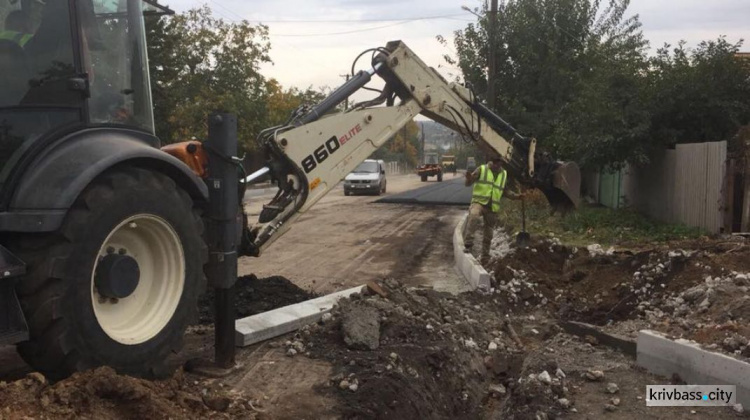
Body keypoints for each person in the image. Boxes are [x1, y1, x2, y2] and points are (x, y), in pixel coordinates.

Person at [463, 156, 516, 264]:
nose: (496, 165)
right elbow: (468, 183)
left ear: (501, 163)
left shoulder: (503, 174)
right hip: (479, 202)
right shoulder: (482, 169)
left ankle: (485, 257)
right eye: (494, 162)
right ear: (490, 161)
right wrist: (469, 178)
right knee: (473, 215)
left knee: (489, 234)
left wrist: (517, 196)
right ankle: (468, 244)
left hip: (492, 207)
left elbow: (505, 191)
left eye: (498, 163)